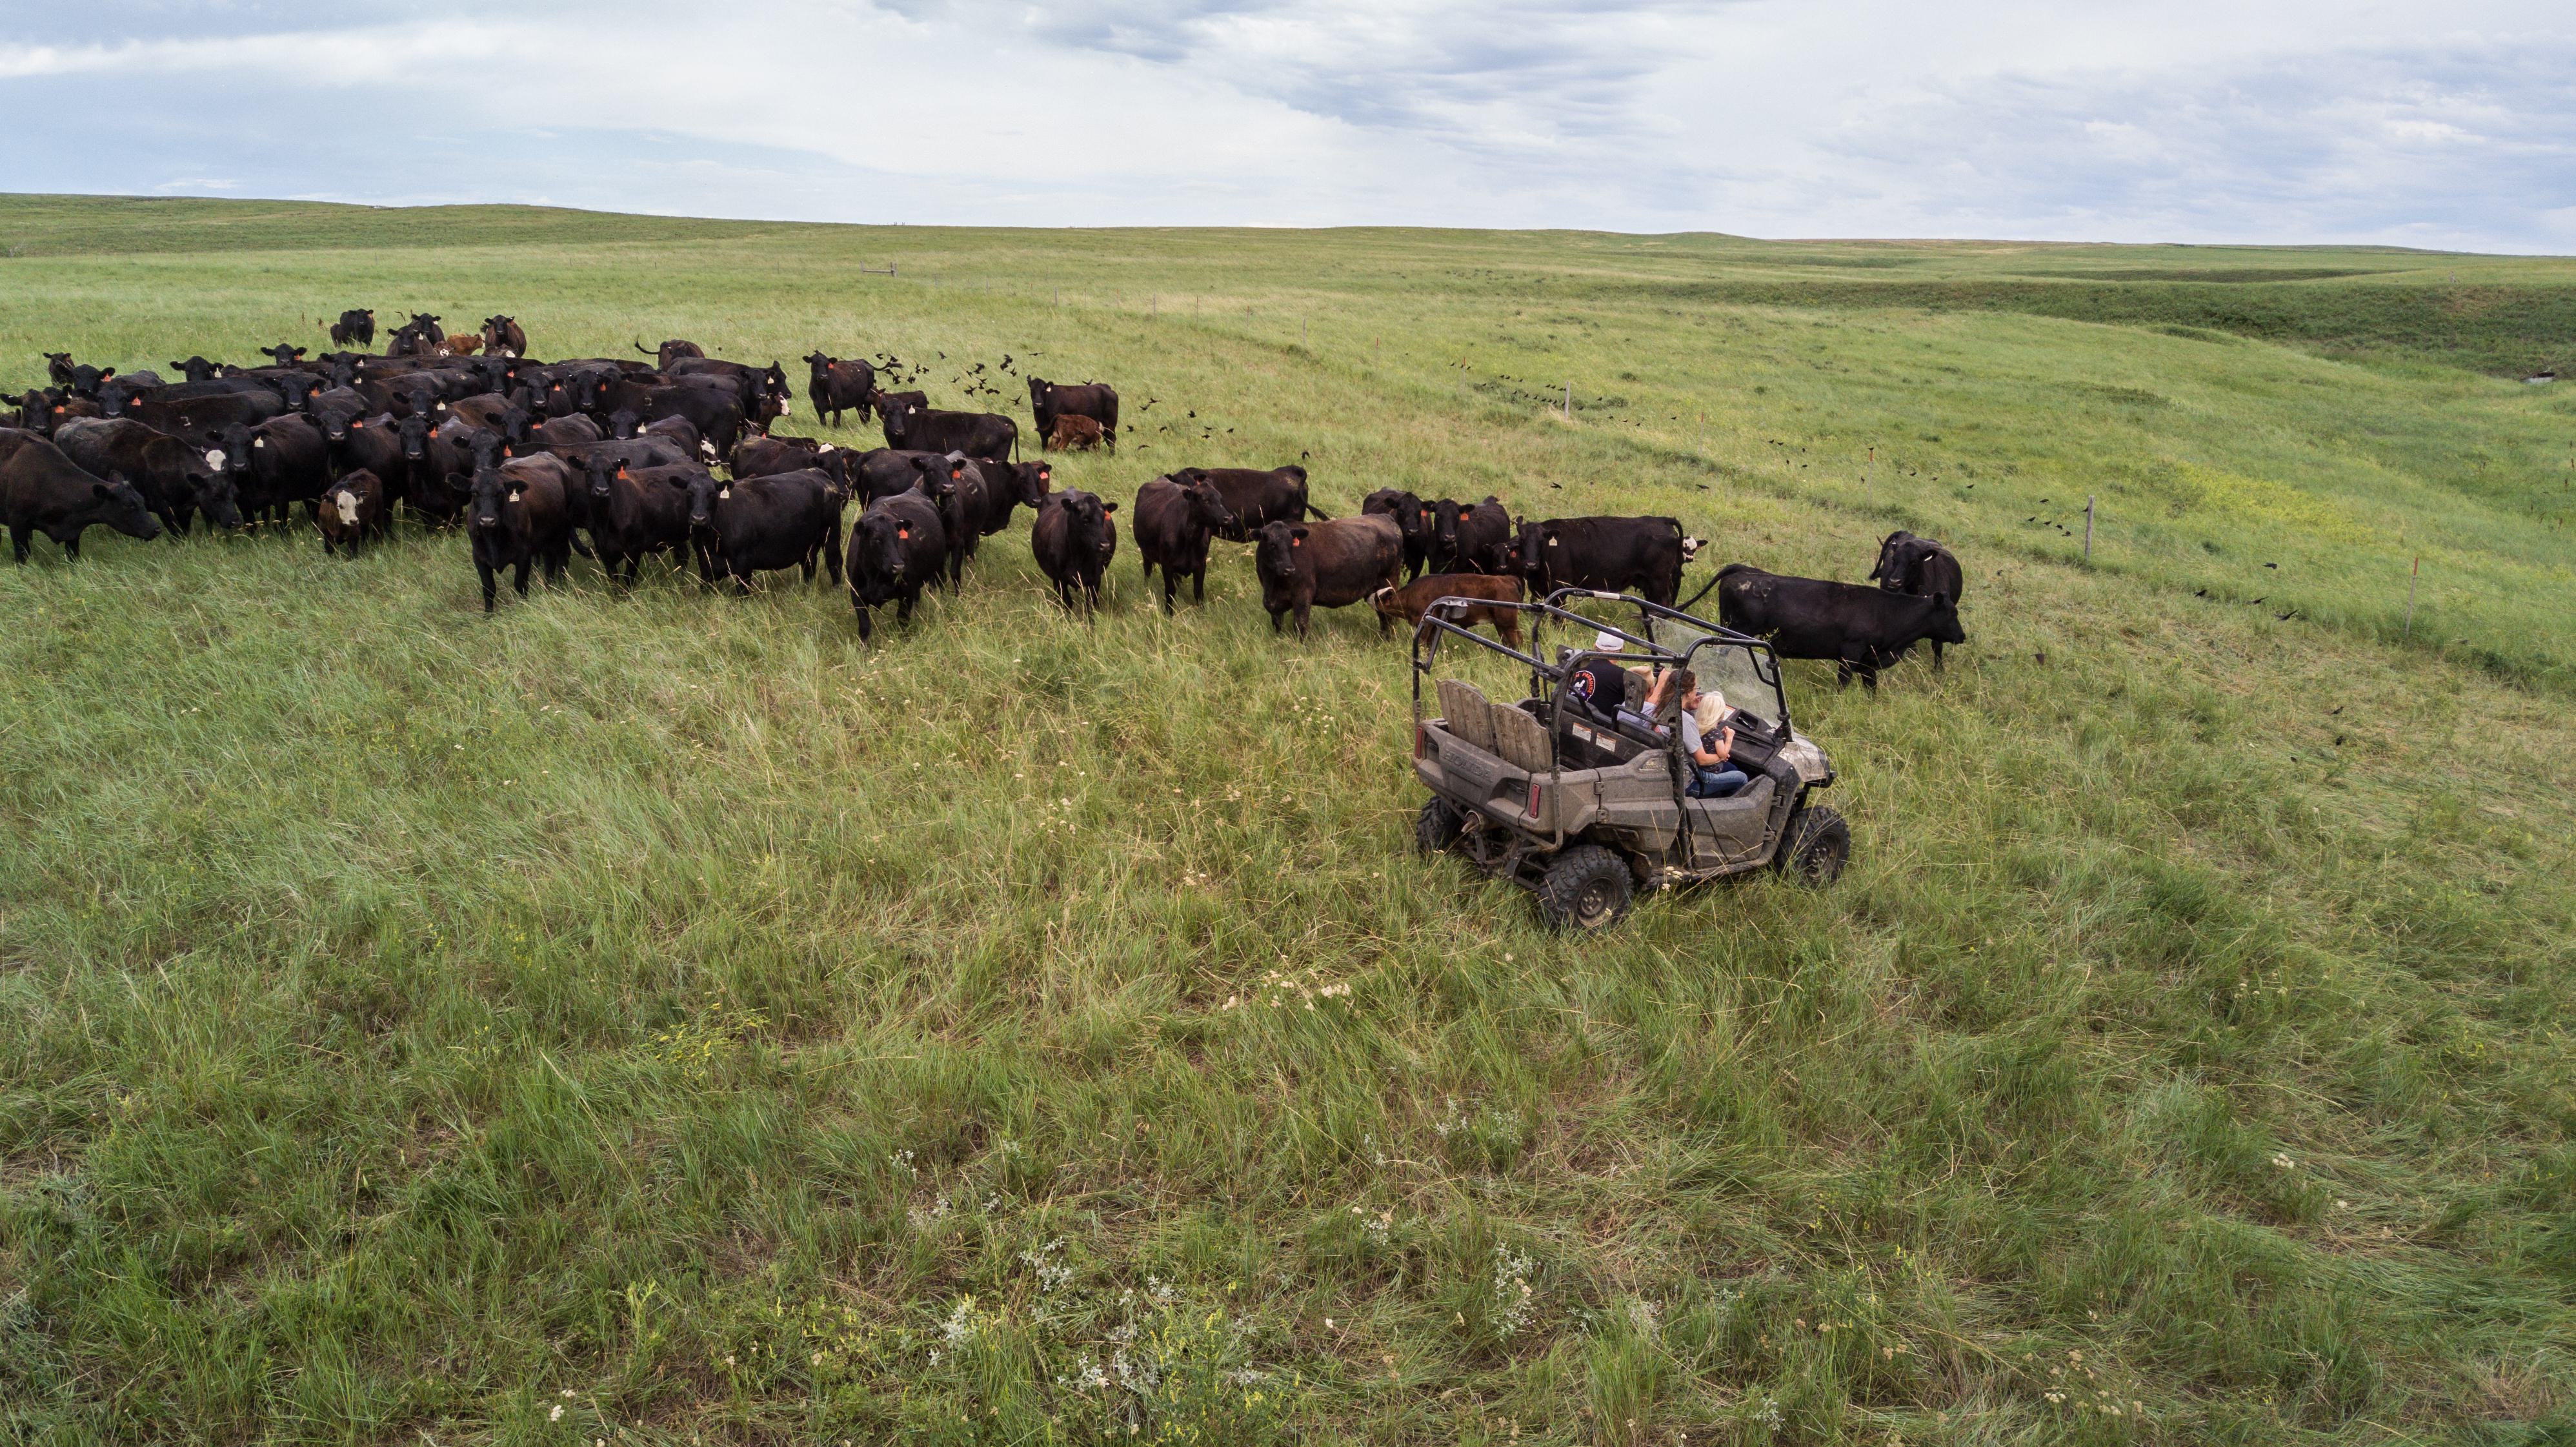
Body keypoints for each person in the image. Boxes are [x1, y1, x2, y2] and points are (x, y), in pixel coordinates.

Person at [1642, 668, 1746, 798]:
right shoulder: (1685, 720)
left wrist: (1689, 705)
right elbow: (1702, 761)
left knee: (1730, 770)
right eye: (1696, 687)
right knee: (1741, 778)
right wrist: (1721, 756)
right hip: (1686, 783)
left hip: (1665, 772)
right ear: (1689, 692)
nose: (1697, 691)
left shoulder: (1658, 708)